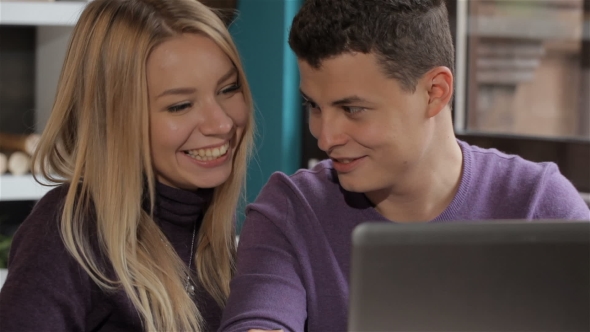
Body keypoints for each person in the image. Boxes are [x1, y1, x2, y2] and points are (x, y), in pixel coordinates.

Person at [218, 0, 590, 331]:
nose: (326, 137)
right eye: (314, 106)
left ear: (435, 92)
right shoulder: (290, 209)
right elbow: (258, 320)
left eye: (352, 109)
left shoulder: (539, 206)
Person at [0, 0, 254, 330]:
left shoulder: (212, 226)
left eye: (228, 88)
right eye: (180, 105)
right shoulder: (66, 234)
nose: (221, 123)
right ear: (113, 119)